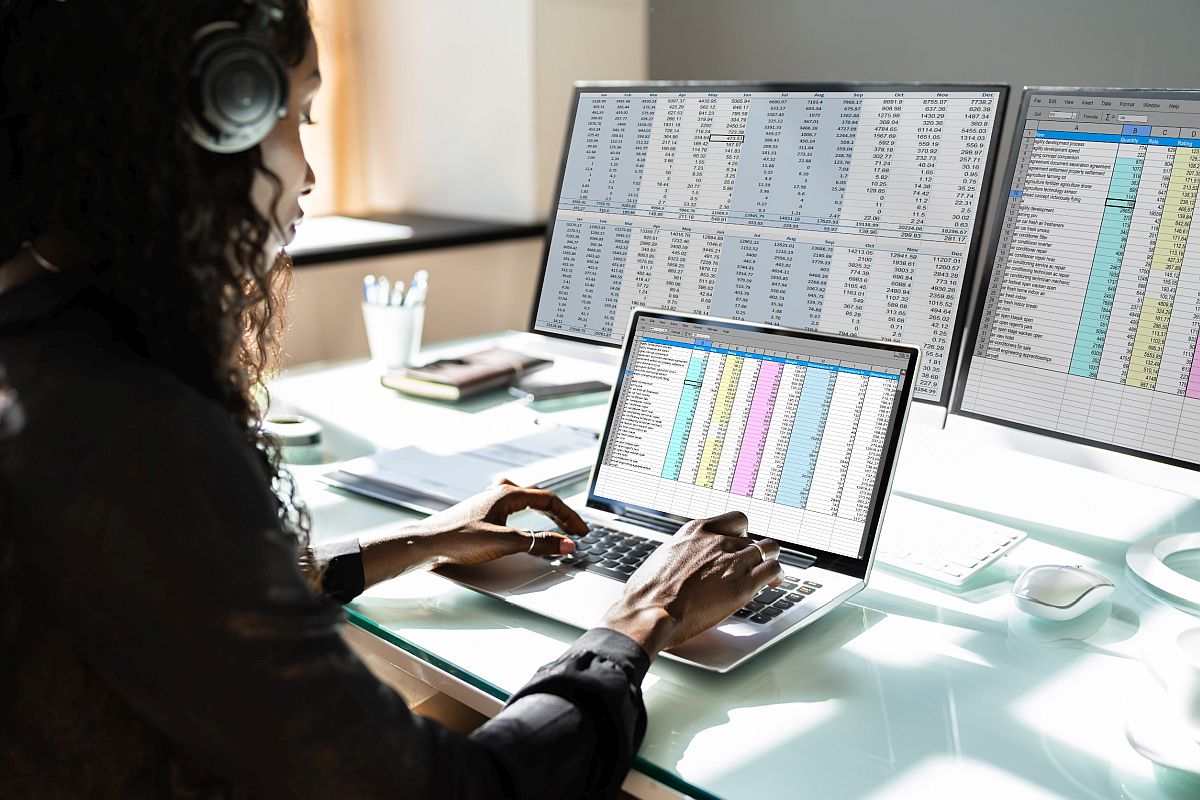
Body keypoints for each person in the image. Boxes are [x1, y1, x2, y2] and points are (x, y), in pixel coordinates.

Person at [0, 1, 781, 797]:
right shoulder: (131, 433)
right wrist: (641, 616)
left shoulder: (37, 350)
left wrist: (416, 543)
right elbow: (454, 790)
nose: (309, 173)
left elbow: (179, 608)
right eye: (299, 115)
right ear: (209, 120)